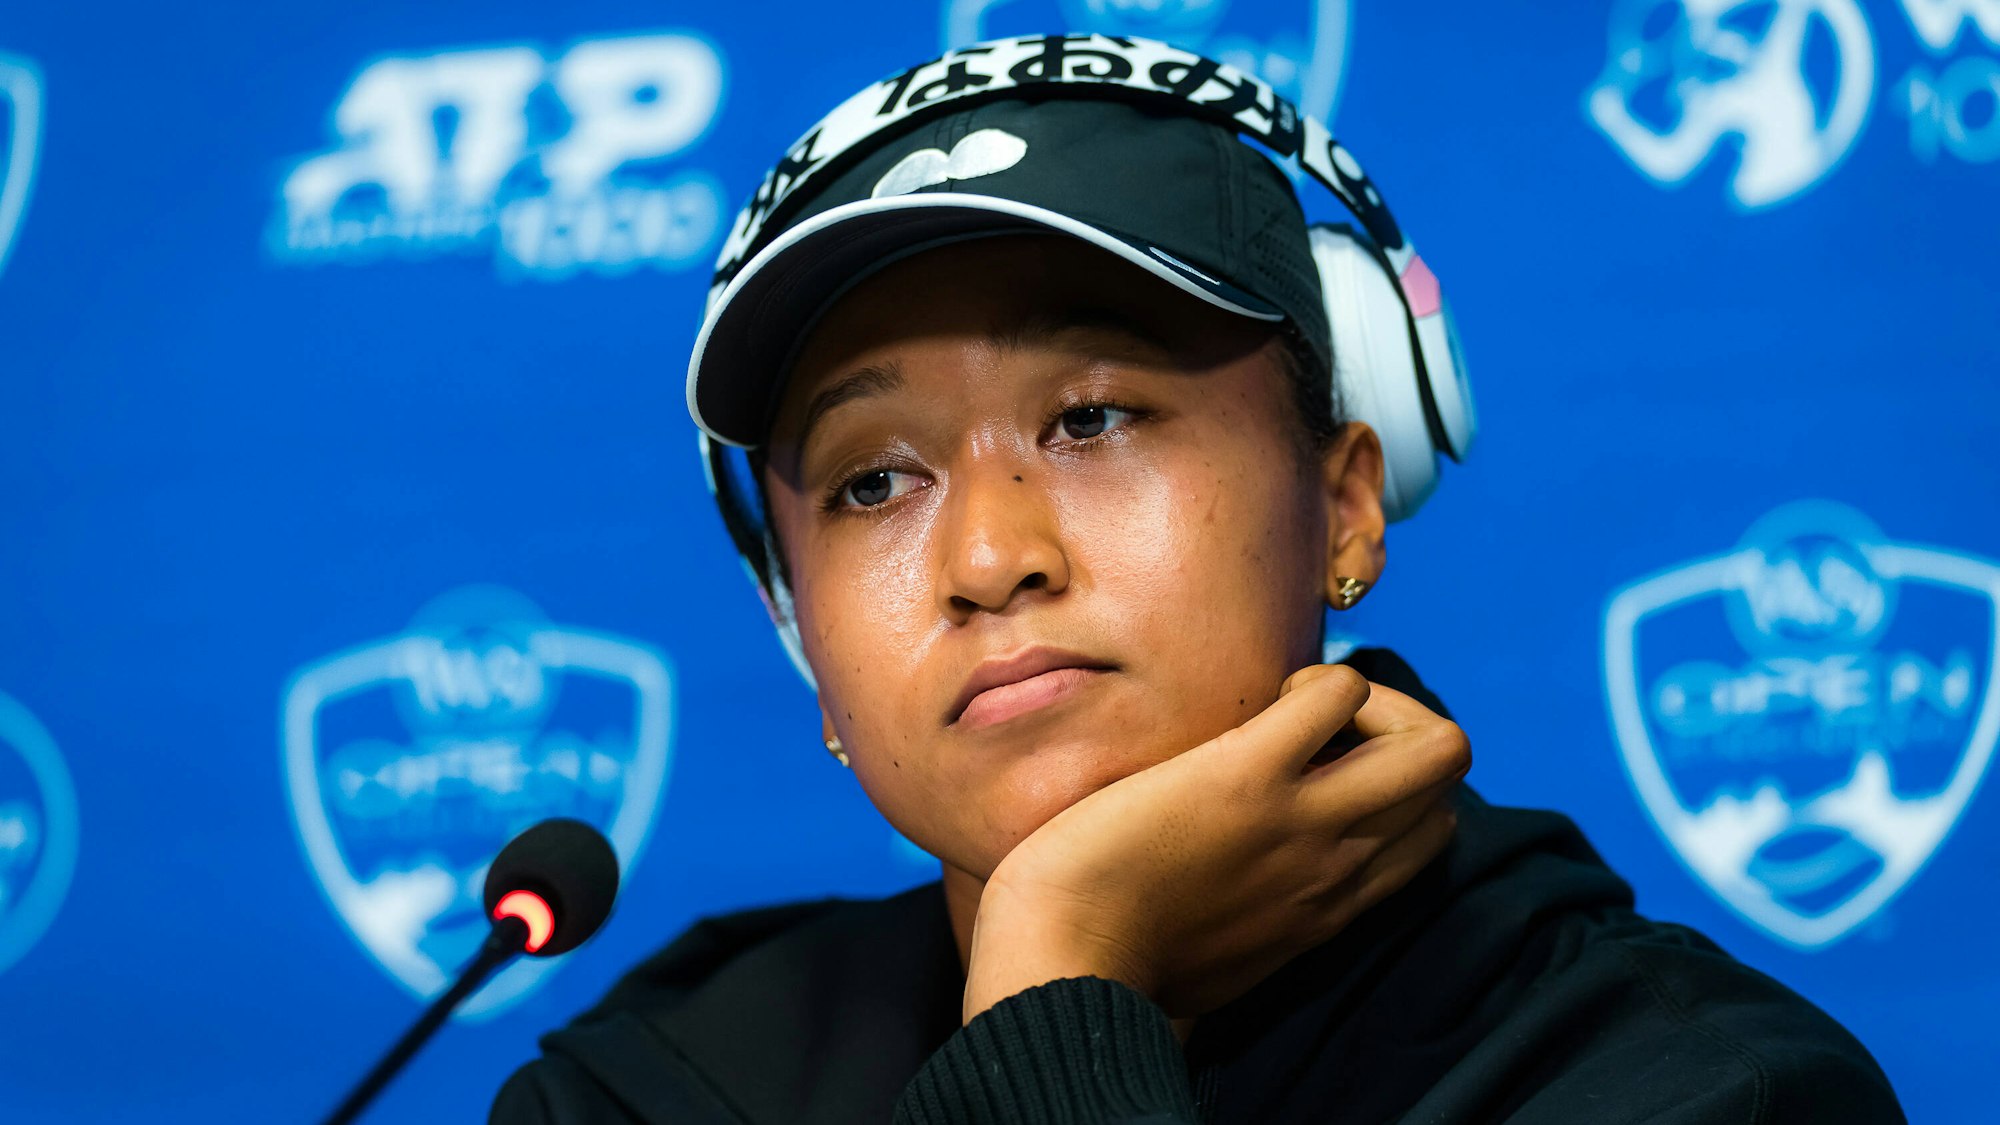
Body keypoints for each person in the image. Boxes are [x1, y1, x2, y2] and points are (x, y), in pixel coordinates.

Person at [491, 36, 1904, 1125]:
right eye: (874, 480)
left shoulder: (1697, 1086)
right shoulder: (646, 1094)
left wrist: (1057, 976)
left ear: (1348, 501)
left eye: (1094, 417)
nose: (990, 556)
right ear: (802, 634)